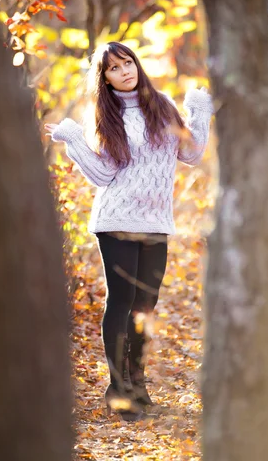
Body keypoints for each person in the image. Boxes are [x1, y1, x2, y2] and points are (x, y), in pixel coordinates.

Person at [45, 42, 213, 421]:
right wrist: (74, 139)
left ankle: (137, 381)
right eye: (114, 67)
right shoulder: (107, 116)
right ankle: (119, 388)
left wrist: (199, 112)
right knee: (121, 303)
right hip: (117, 220)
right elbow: (104, 174)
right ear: (104, 78)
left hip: (156, 223)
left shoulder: (163, 105)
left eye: (128, 62)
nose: (125, 70)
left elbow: (190, 154)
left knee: (146, 306)